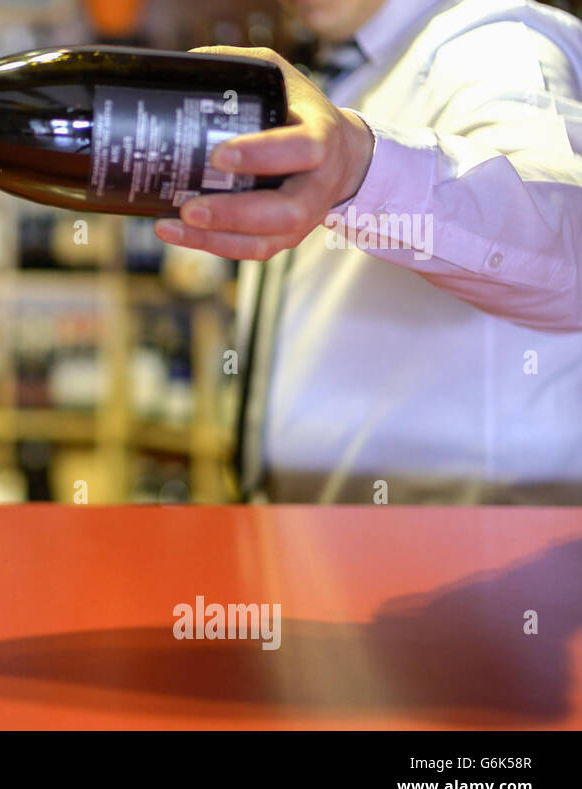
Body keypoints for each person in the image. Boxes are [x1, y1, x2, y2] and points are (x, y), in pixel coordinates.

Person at [154, 0, 582, 504]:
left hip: (458, 553)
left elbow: (566, 239)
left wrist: (358, 163)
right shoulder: (341, 65)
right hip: (331, 543)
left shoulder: (493, 39)